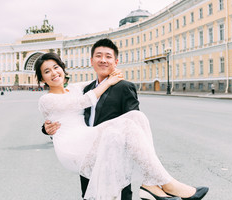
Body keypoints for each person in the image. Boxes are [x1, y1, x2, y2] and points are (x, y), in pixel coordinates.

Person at [37, 51, 208, 200]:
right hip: (73, 147)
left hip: (87, 137)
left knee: (137, 116)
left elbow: (95, 82)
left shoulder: (74, 88)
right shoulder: (46, 100)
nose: (53, 73)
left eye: (55, 67)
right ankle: (168, 183)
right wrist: (109, 82)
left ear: (62, 68)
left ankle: (151, 183)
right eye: (47, 71)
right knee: (126, 123)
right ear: (42, 79)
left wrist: (111, 74)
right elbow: (84, 101)